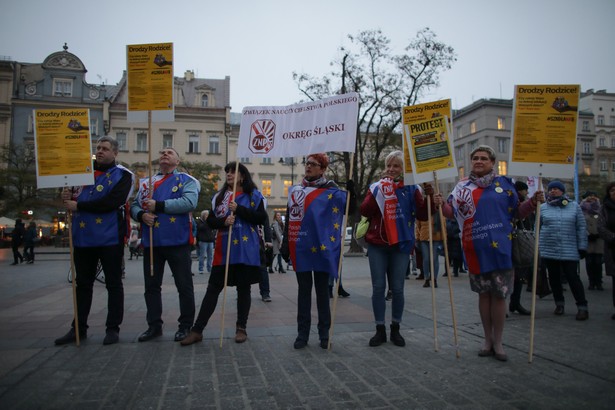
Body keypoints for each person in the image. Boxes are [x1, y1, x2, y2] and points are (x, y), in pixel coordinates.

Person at [434, 145, 542, 361]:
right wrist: (440, 204)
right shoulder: (462, 186)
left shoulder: (506, 184)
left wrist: (532, 203)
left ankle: (499, 342)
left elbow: (517, 213)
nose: (479, 161)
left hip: (502, 250)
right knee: (484, 295)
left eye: (484, 158)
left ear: (492, 162)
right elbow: (451, 213)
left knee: (500, 295)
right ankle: (487, 340)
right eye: (475, 158)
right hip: (475, 249)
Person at [55, 136, 133, 345]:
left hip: (110, 238)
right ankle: (78, 328)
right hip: (83, 237)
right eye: (98, 148)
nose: (100, 151)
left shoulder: (124, 175)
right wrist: (64, 194)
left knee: (113, 284)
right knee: (83, 284)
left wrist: (78, 206)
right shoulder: (80, 173)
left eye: (105, 149)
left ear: (115, 153)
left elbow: (112, 202)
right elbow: (70, 196)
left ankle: (112, 328)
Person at [181, 162, 267, 345]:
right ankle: (197, 330)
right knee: (213, 288)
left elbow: (260, 218)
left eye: (233, 171)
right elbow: (210, 220)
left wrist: (240, 210)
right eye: (227, 171)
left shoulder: (254, 196)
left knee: (244, 289)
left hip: (245, 250)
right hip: (224, 248)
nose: (229, 174)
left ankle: (241, 328)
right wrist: (223, 221)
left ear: (242, 176)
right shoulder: (219, 198)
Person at [131, 147, 200, 343]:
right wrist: (141, 215)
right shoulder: (147, 184)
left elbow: (189, 202)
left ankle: (185, 326)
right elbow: (135, 205)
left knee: (184, 285)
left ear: (177, 161)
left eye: (170, 152)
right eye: (162, 152)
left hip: (177, 240)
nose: (164, 154)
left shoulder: (186, 180)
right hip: (153, 241)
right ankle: (154, 326)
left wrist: (159, 206)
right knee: (152, 286)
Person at [281, 153, 348, 350]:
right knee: (303, 293)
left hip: (321, 248)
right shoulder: (296, 190)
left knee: (321, 293)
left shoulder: (332, 190)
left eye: (313, 164)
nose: (308, 166)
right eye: (307, 163)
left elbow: (348, 209)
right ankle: (302, 334)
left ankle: (324, 333)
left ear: (323, 168)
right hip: (301, 246)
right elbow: (290, 218)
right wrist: (286, 245)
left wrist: (349, 193)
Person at [360, 150, 426, 347]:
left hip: (401, 245)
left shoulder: (413, 188)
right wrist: (379, 190)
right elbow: (365, 210)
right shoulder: (376, 187)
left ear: (403, 169)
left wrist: (431, 196)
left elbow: (423, 214)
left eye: (396, 166)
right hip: (378, 244)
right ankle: (380, 329)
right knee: (378, 287)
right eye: (389, 165)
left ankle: (396, 327)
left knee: (397, 289)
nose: (391, 169)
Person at [539, 180, 589, 321]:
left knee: (573, 278)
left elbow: (581, 227)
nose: (553, 191)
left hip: (569, 249)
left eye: (556, 189)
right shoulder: (543, 208)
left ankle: (582, 307)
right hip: (549, 248)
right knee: (554, 279)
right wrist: (538, 248)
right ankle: (559, 304)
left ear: (562, 191)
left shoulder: (574, 207)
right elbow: (538, 228)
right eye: (551, 189)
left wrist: (582, 246)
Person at [509, 181, 532, 315]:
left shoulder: (524, 201)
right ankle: (506, 304)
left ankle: (515, 302)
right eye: (525, 190)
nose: (527, 193)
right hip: (511, 240)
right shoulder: (512, 199)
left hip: (521, 241)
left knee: (519, 275)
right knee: (509, 275)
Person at [415, 183, 443, 288]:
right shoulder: (422, 206)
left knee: (435, 259)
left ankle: (434, 278)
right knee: (426, 258)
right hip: (424, 237)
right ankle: (426, 278)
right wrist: (417, 237)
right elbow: (418, 224)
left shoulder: (437, 207)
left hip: (436, 237)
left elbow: (443, 222)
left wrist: (444, 236)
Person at [597, 182, 615, 320]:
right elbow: (601, 227)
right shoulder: (604, 208)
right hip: (612, 248)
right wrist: (613, 237)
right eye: (612, 190)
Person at [581, 191, 604, 290]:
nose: (592, 198)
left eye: (594, 196)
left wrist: (600, 233)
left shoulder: (601, 209)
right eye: (589, 196)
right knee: (589, 262)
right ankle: (591, 281)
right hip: (587, 239)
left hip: (599, 239)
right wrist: (587, 234)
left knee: (598, 262)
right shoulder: (581, 209)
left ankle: (598, 281)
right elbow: (580, 224)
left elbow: (605, 222)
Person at [196, 210, 216, 274]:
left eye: (208, 215)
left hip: (210, 241)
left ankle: (209, 268)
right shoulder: (200, 222)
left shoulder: (210, 222)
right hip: (203, 241)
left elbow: (214, 229)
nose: (207, 216)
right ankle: (201, 269)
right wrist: (206, 221)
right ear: (203, 215)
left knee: (210, 256)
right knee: (202, 255)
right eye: (206, 215)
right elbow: (201, 228)